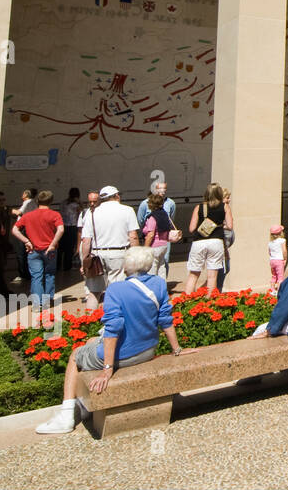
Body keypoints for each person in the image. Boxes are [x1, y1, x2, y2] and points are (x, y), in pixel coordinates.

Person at [35, 247, 185, 435]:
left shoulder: (116, 289)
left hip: (125, 355)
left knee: (75, 356)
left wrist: (107, 370)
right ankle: (83, 405)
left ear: (127, 266)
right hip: (147, 351)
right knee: (90, 340)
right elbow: (165, 319)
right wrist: (177, 349)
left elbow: (113, 329)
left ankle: (66, 415)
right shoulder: (158, 284)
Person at [78, 185, 140, 304]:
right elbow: (133, 236)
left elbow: (86, 240)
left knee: (93, 292)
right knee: (117, 290)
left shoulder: (91, 213)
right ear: (117, 196)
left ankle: (89, 321)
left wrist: (85, 262)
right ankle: (115, 319)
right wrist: (136, 256)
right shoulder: (127, 210)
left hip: (97, 255)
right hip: (119, 254)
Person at [12, 190, 64, 311]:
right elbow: (60, 229)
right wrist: (53, 244)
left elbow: (14, 230)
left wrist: (26, 241)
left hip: (33, 249)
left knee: (36, 276)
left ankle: (37, 304)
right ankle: (47, 301)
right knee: (49, 274)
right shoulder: (55, 215)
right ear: (51, 201)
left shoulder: (28, 215)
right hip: (50, 249)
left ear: (37, 201)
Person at [183, 183, 232, 295]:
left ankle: (185, 301)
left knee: (194, 274)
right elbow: (230, 226)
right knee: (212, 276)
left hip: (199, 242)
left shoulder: (199, 207)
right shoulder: (224, 207)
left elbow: (191, 228)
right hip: (216, 241)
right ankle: (209, 303)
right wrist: (218, 225)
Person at [141, 191, 179, 281]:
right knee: (161, 267)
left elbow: (150, 235)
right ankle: (162, 287)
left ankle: (153, 289)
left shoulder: (152, 217)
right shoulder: (164, 214)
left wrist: (145, 248)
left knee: (152, 269)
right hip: (164, 245)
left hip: (154, 246)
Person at [59, 188, 82, 274]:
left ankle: (58, 265)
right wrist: (80, 202)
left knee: (61, 247)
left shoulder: (63, 203)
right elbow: (81, 213)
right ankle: (67, 266)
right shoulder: (76, 204)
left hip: (63, 226)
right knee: (70, 247)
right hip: (72, 226)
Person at [267, 225, 288, 293]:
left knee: (274, 276)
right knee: (280, 277)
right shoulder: (282, 240)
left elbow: (269, 252)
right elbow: (284, 250)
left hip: (272, 260)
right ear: (280, 233)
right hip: (279, 260)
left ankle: (272, 290)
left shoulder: (270, 243)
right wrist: (285, 258)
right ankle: (280, 291)